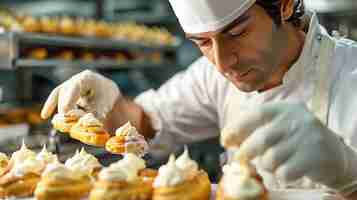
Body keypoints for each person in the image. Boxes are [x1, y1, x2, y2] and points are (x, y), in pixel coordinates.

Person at [41, 0, 357, 197]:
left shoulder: (349, 75)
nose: (222, 63)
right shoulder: (211, 76)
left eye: (237, 34)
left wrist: (348, 173)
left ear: (285, 5)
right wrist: (111, 103)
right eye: (202, 43)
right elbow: (144, 124)